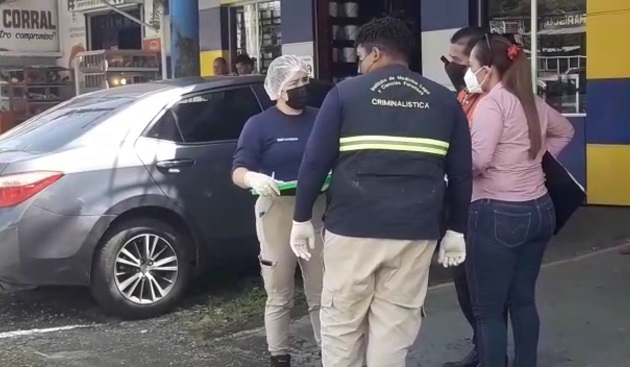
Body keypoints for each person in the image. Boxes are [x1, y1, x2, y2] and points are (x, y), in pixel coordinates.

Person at [289, 16, 473, 366]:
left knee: (342, 325)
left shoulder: (344, 95)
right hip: (416, 234)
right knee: (394, 330)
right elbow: (462, 174)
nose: (359, 65)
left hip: (352, 231)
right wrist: (456, 230)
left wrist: (300, 218)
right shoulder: (446, 102)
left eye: (359, 56)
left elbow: (314, 164)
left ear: (374, 53)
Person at [464, 34, 574, 367]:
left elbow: (478, 160)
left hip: (496, 213)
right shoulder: (531, 101)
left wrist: (449, 160)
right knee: (523, 301)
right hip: (539, 210)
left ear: (487, 69)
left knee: (488, 312)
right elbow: (565, 130)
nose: (468, 73)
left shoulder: (493, 103)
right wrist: (536, 160)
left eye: (470, 66)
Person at [231, 55, 325, 367]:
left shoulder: (320, 117)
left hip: (315, 207)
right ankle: (279, 357)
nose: (301, 88)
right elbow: (238, 170)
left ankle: (331, 354)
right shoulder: (259, 125)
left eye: (304, 81)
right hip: (277, 211)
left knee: (322, 292)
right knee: (279, 292)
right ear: (277, 90)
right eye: (293, 83)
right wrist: (251, 178)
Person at [441, 26, 506, 367]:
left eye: (457, 60)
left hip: (486, 205)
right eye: (448, 59)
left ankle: (493, 354)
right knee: (464, 284)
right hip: (460, 201)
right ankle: (482, 348)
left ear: (480, 61)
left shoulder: (496, 100)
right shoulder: (465, 95)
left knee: (484, 291)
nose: (450, 66)